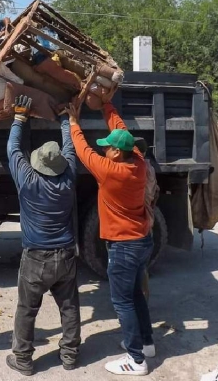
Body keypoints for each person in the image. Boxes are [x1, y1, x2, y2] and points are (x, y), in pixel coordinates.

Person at [66, 100, 154, 376]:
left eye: (107, 146)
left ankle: (136, 359)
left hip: (124, 247)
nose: (103, 148)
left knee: (123, 301)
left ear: (116, 153)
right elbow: (121, 128)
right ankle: (147, 343)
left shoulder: (109, 171)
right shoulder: (137, 161)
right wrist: (107, 106)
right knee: (136, 294)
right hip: (142, 241)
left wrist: (72, 121)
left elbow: (82, 150)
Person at [5, 95, 81, 376]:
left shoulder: (28, 181)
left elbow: (13, 149)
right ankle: (70, 356)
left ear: (37, 163)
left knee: (27, 309)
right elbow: (71, 148)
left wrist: (19, 117)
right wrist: (65, 119)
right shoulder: (69, 177)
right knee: (69, 307)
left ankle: (23, 359)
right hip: (65, 256)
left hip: (35, 258)